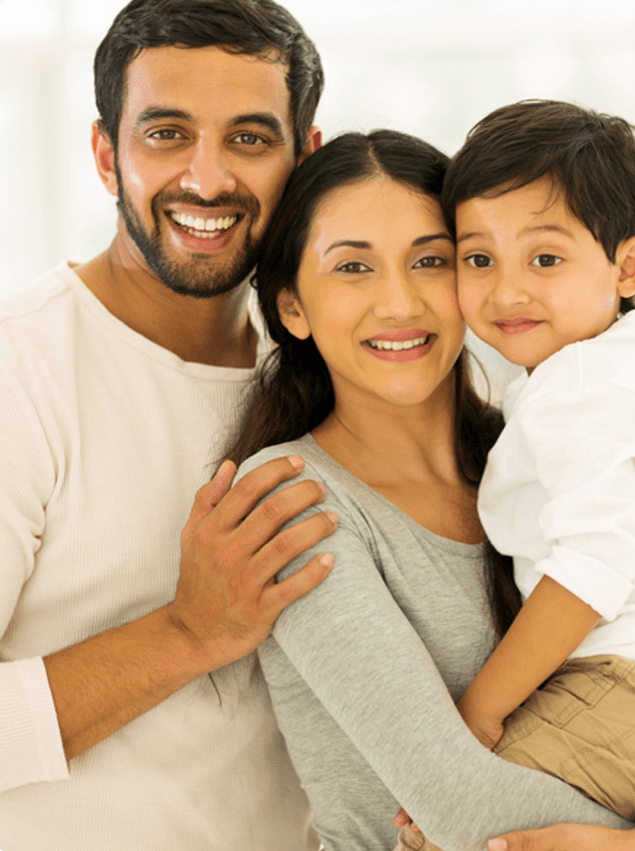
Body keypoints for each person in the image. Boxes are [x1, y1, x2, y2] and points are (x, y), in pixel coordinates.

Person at [229, 128, 635, 851]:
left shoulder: (542, 452)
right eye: (354, 267)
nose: (399, 302)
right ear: (292, 307)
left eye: (433, 260)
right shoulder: (290, 498)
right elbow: (458, 806)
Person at [0, 2, 338, 849]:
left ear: (306, 159)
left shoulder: (332, 370)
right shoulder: (22, 368)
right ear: (107, 156)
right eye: (166, 134)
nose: (208, 178)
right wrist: (188, 631)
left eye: (251, 139)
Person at [394, 100, 635, 851]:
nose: (506, 291)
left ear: (629, 265)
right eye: (477, 257)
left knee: (439, 830)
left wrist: (480, 710)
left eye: (546, 258)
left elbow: (591, 568)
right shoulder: (616, 366)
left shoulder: (576, 387)